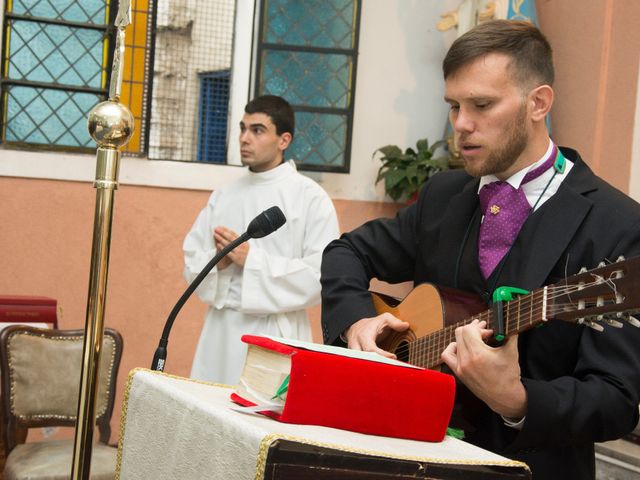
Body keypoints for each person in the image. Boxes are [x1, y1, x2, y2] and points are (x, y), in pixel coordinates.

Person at [320, 20, 640, 480]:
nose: (461, 125)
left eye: (482, 105)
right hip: (406, 460)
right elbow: (345, 252)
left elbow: (616, 399)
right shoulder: (443, 196)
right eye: (453, 106)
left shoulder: (618, 224)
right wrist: (357, 320)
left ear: (538, 103)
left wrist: (517, 399)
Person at [185, 95, 339, 385]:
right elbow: (192, 259)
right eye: (242, 129)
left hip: (274, 332)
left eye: (257, 130)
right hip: (219, 332)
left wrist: (251, 260)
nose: (244, 138)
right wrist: (218, 263)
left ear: (283, 140)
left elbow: (321, 276)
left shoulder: (309, 197)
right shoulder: (224, 195)